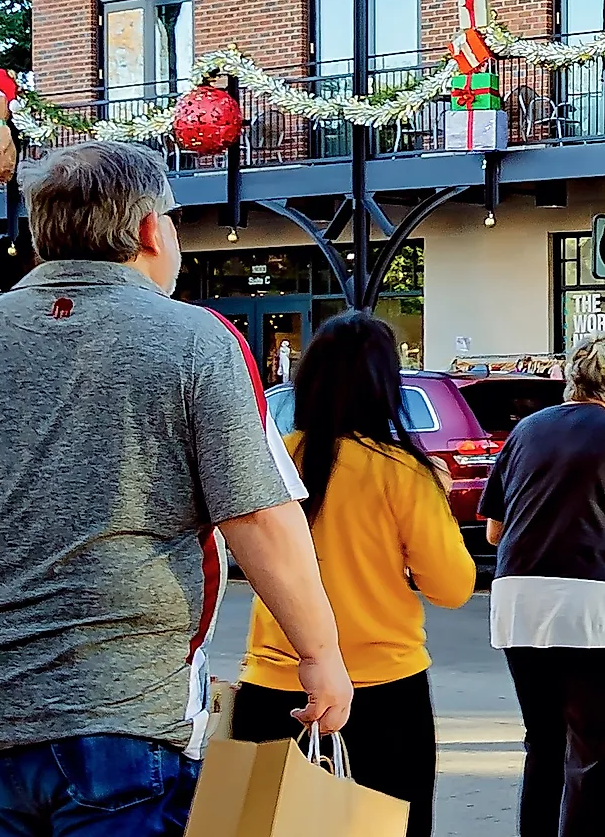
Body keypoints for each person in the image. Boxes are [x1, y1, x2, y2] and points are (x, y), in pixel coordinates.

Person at [0, 140, 352, 836]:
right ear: (147, 229)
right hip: (121, 713)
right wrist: (318, 656)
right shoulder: (193, 340)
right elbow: (257, 518)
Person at [233, 311, 477, 837]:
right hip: (383, 692)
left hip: (272, 687)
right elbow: (453, 587)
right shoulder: (401, 471)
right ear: (384, 387)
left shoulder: (273, 461)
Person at [482, 332, 605, 837]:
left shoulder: (525, 430)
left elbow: (494, 530)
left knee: (542, 741)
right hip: (596, 599)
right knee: (594, 749)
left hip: (517, 599)